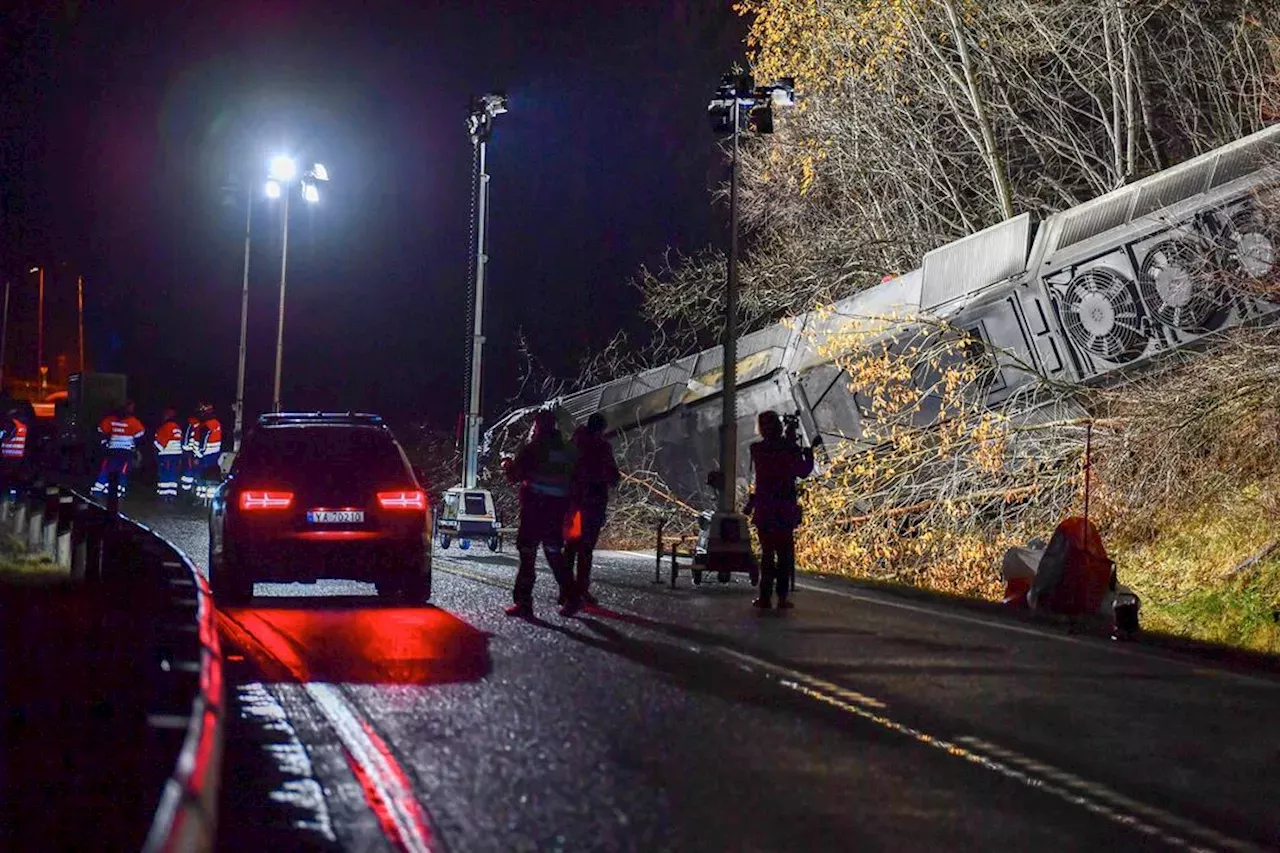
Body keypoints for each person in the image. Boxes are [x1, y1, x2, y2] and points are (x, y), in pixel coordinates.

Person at [502, 409, 579, 618]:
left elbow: (516, 475)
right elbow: (576, 477)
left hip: (535, 508)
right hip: (558, 509)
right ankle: (572, 596)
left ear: (538, 426)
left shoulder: (534, 449)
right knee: (554, 552)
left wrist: (507, 465)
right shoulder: (567, 450)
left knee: (527, 554)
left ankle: (523, 602)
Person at [746, 410, 818, 610]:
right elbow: (802, 471)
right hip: (785, 510)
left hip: (765, 509)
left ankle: (765, 597)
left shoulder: (757, 449)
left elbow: (771, 454)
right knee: (785, 555)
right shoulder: (789, 448)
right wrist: (807, 452)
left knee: (768, 555)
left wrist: (788, 441)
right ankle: (783, 598)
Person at [563, 412, 620, 607]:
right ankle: (579, 591)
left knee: (571, 549)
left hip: (573, 504)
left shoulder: (574, 445)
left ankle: (568, 591)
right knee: (584, 551)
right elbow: (613, 476)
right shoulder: (602, 447)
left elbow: (564, 472)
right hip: (592, 505)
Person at [91, 401, 146, 500]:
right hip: (125, 451)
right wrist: (134, 447)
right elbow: (140, 435)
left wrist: (104, 443)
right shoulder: (133, 422)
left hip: (112, 450)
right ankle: (118, 492)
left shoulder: (110, 420)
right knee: (122, 471)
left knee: (107, 469)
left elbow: (100, 431)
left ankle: (98, 491)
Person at [153, 407, 184, 504]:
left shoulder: (165, 427)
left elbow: (160, 443)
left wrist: (155, 449)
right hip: (176, 455)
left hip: (166, 455)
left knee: (164, 475)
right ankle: (171, 495)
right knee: (173, 475)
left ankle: (164, 496)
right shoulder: (177, 427)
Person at [194, 403, 223, 504]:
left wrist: (199, 454)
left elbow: (203, 440)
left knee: (202, 475)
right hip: (215, 453)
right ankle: (211, 500)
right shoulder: (216, 423)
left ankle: (201, 499)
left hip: (206, 454)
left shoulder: (206, 425)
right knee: (212, 476)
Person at [0, 407, 29, 477]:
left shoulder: (9, 424)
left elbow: (3, 437)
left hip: (7, 458)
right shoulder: (23, 424)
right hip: (18, 458)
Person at [180, 411, 202, 501]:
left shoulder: (195, 425)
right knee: (188, 474)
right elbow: (186, 439)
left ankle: (189, 494)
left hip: (192, 453)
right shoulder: (191, 425)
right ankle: (186, 494)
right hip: (190, 453)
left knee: (192, 473)